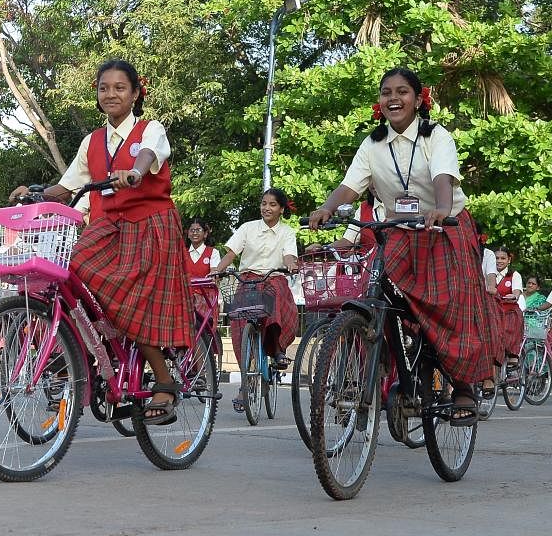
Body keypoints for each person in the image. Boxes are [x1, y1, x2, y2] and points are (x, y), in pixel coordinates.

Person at [308, 67, 497, 426]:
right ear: (379, 103)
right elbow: (350, 186)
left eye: (402, 92)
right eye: (386, 92)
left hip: (444, 227)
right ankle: (385, 356)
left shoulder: (436, 136)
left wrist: (441, 209)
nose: (394, 98)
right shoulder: (372, 144)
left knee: (452, 302)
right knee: (374, 289)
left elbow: (443, 177)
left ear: (419, 98)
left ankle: (462, 388)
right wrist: (327, 208)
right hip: (400, 230)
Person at [8, 59, 191, 426]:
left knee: (134, 300)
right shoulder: (92, 141)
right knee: (68, 268)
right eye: (104, 88)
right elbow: (68, 186)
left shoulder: (149, 129)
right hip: (107, 226)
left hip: (149, 226)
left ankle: (165, 381)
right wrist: (37, 192)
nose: (111, 94)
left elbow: (148, 156)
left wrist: (135, 174)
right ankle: (91, 348)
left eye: (120, 87)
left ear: (136, 93)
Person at [213, 188, 300, 414]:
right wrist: (217, 271)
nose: (266, 208)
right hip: (249, 279)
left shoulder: (287, 232)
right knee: (239, 326)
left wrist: (290, 264)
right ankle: (245, 382)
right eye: (263, 203)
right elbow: (231, 254)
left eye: (272, 204)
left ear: (281, 209)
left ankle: (277, 349)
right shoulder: (247, 228)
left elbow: (289, 255)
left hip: (274, 277)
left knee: (277, 294)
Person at [493, 246, 525, 371]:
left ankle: (513, 354)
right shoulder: (489, 274)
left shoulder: (514, 275)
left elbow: (517, 292)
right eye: (496, 258)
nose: (499, 261)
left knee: (507, 327)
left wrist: (514, 295)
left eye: (502, 258)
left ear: (509, 260)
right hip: (493, 311)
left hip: (509, 311)